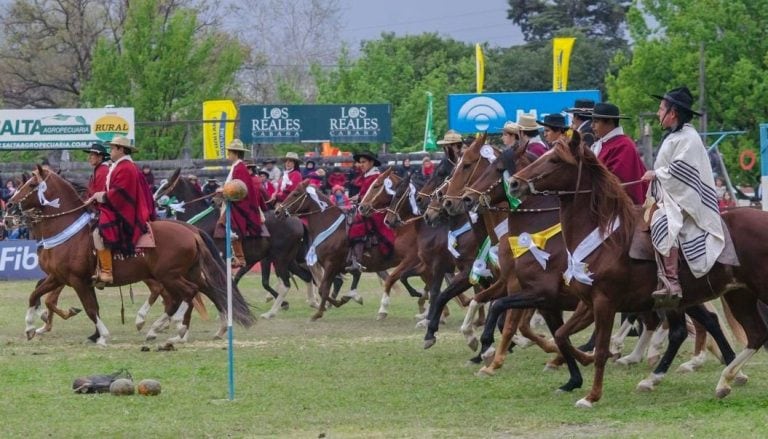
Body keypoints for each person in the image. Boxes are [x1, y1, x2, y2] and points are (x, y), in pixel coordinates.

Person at [641, 86, 724, 305]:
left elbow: (681, 172)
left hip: (687, 201)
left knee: (663, 221)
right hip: (673, 196)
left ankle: (671, 280)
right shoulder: (675, 136)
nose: (658, 113)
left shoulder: (689, 138)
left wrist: (655, 173)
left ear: (673, 113)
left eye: (661, 109)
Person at [86, 136, 155, 286]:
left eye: (112, 148)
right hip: (116, 207)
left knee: (98, 233)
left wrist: (102, 195)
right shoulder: (120, 166)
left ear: (121, 149)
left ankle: (107, 271)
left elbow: (120, 192)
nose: (110, 152)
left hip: (124, 212)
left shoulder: (126, 167)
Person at [216, 139, 268, 268]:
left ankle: (239, 257)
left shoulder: (240, 168)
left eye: (229, 152)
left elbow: (239, 189)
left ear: (235, 153)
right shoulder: (236, 167)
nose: (228, 155)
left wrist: (224, 191)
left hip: (240, 204)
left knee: (230, 224)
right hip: (233, 200)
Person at [589, 102, 648, 205]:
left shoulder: (624, 145)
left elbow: (616, 180)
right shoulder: (602, 143)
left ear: (609, 122)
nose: (592, 125)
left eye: (596, 122)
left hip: (623, 207)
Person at [345, 151, 394, 271]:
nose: (361, 165)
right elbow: (365, 194)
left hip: (375, 210)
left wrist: (360, 199)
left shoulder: (376, 177)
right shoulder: (367, 176)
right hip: (366, 208)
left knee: (357, 224)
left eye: (364, 162)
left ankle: (358, 258)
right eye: (360, 162)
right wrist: (357, 198)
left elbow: (373, 196)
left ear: (371, 162)